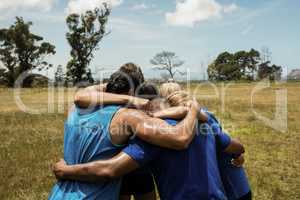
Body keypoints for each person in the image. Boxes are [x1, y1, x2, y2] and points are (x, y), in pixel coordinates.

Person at [52, 83, 245, 200]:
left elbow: (110, 169)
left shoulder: (154, 138)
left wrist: (66, 171)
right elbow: (234, 146)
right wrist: (238, 154)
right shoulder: (206, 124)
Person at [48, 69, 199, 199]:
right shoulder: (128, 117)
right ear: (133, 92)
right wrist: (193, 109)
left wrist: (65, 171)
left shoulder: (74, 110)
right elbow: (180, 138)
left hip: (58, 194)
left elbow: (81, 95)